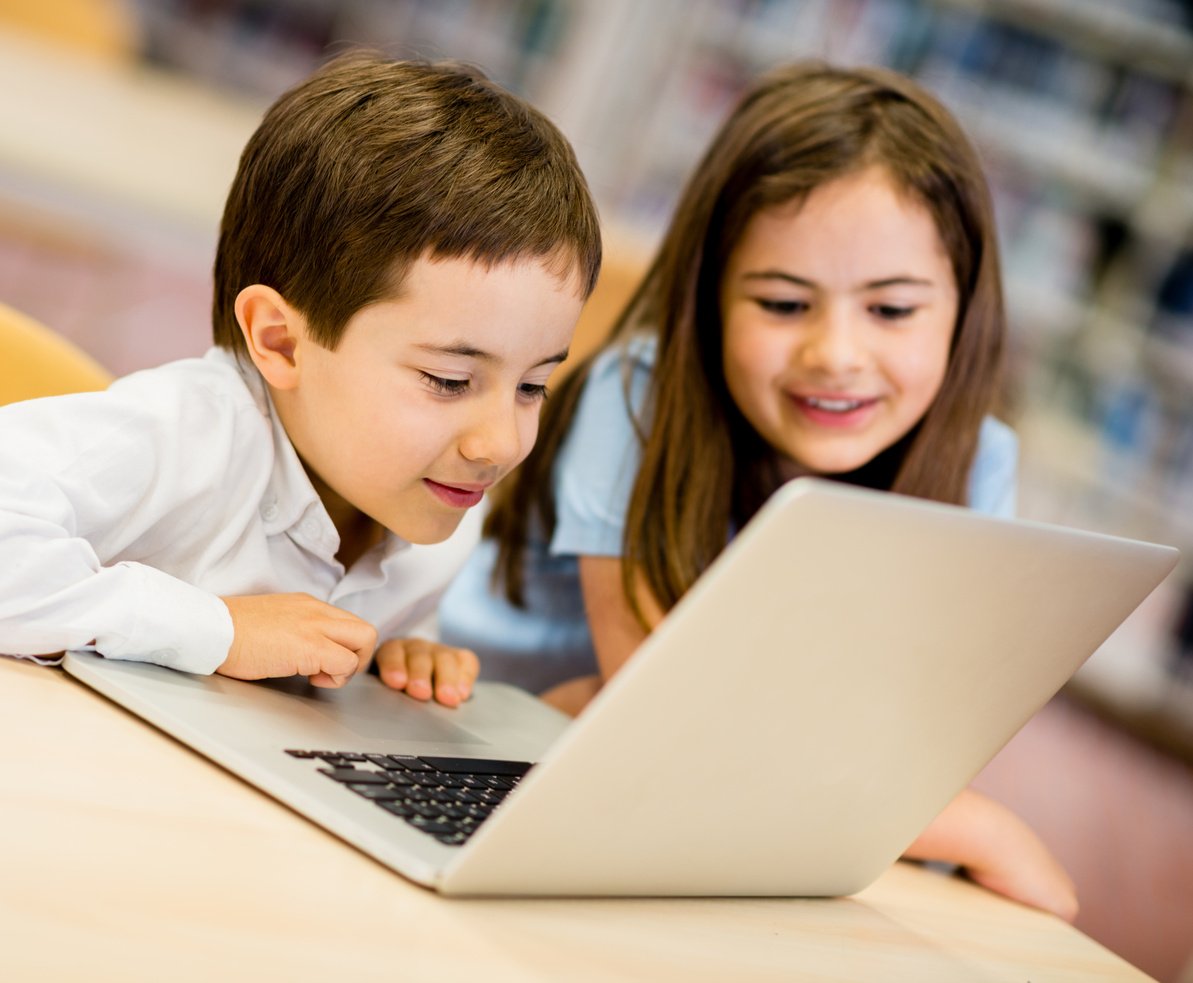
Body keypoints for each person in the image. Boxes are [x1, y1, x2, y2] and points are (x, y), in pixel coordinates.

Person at [438, 61, 1078, 917]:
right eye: (783, 304)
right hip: (497, 739)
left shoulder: (979, 458)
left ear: (964, 313)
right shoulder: (638, 394)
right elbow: (655, 711)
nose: (836, 354)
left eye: (890, 311)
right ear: (708, 301)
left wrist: (885, 790)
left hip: (724, 797)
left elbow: (904, 736)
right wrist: (973, 830)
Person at [0, 50, 600, 707]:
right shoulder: (189, 434)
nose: (501, 443)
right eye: (449, 380)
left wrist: (400, 653)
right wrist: (218, 629)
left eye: (532, 386)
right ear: (282, 342)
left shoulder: (439, 510)